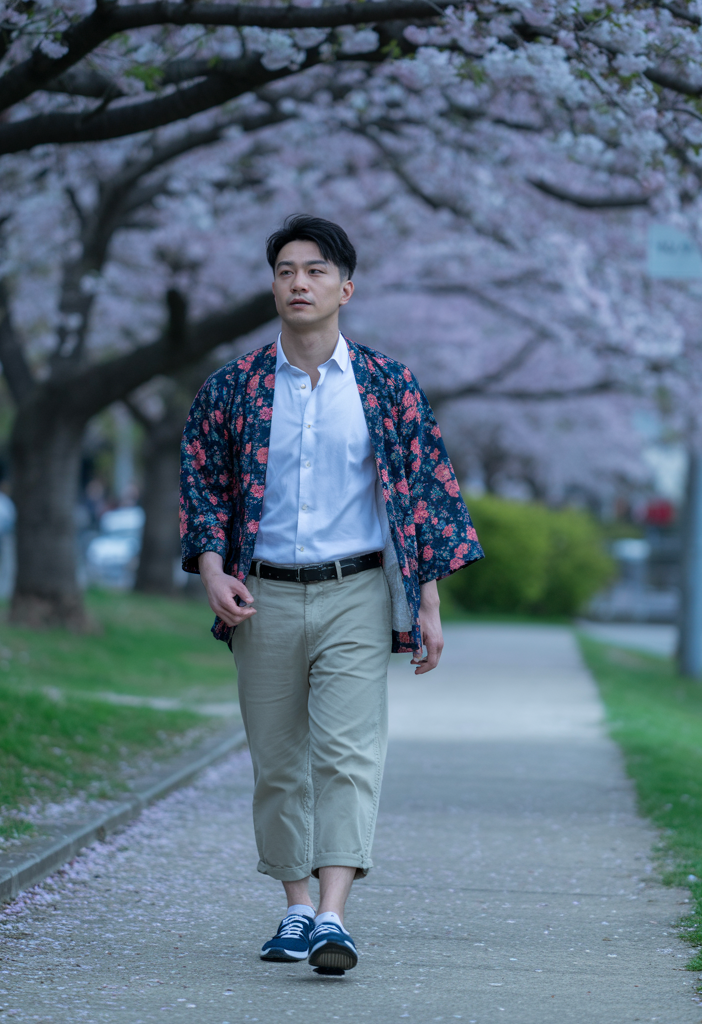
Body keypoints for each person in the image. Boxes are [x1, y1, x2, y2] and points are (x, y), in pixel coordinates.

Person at [180, 215, 483, 974]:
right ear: (273, 285)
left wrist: (428, 607)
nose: (299, 283)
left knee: (348, 755)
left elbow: (422, 499)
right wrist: (214, 570)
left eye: (315, 271)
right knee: (278, 760)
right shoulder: (234, 389)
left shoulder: (387, 386)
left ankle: (332, 917)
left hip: (355, 590)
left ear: (345, 287)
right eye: (286, 271)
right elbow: (203, 487)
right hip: (264, 594)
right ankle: (292, 906)